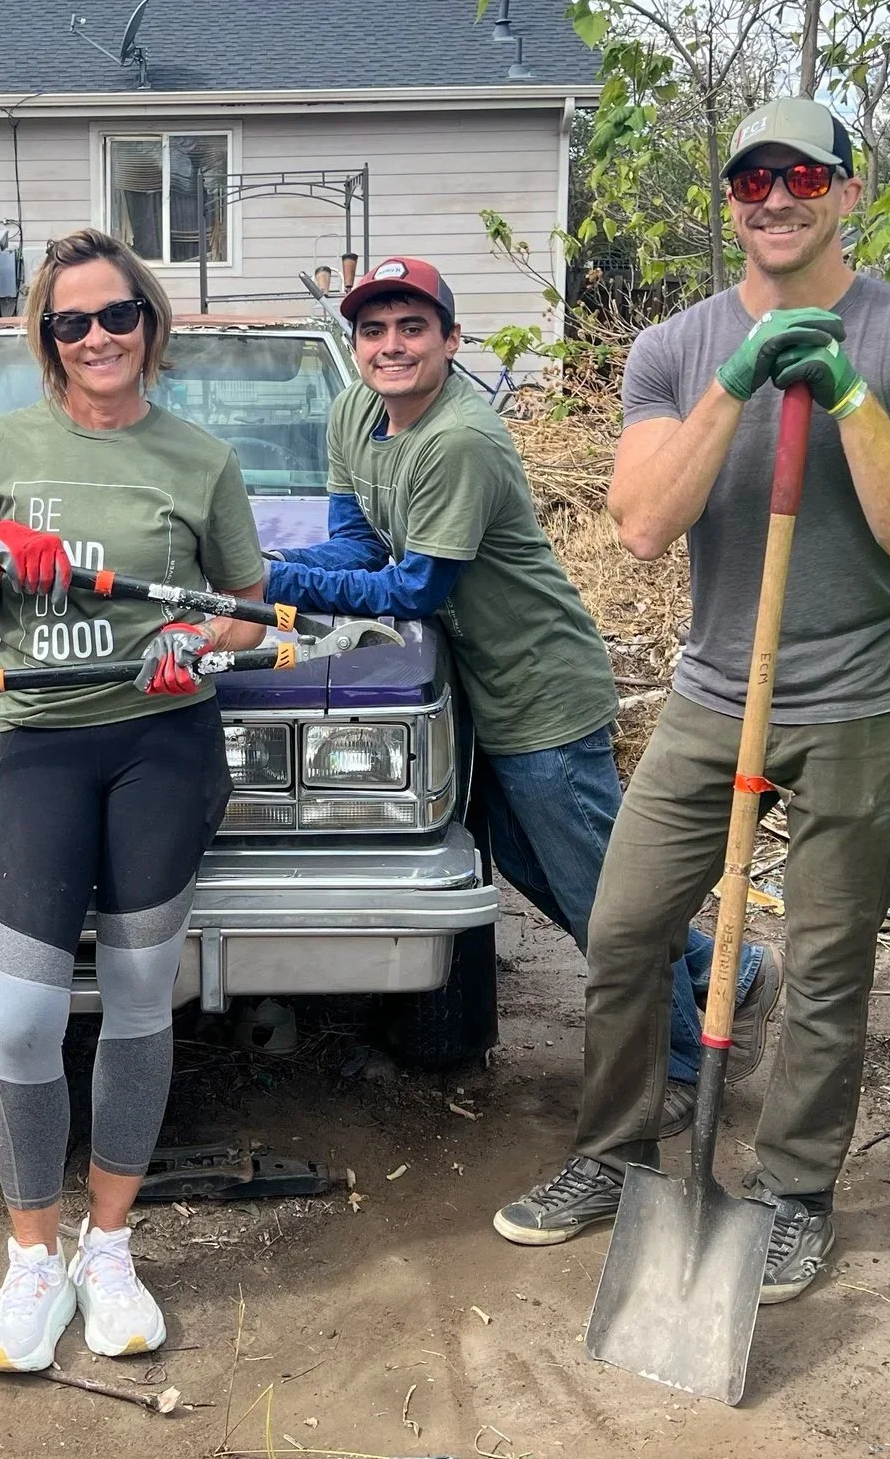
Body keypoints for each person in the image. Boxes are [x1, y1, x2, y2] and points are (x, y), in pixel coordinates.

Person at [509, 98, 890, 1301]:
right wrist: (736, 381)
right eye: (754, 179)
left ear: (848, 192)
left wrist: (850, 398)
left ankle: (790, 1191)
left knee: (821, 963)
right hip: (718, 692)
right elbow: (647, 525)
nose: (776, 197)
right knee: (620, 930)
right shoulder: (670, 346)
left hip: (861, 698)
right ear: (730, 200)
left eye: (804, 177)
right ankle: (611, 1153)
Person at [256, 257, 775, 1218]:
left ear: (451, 342)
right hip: (474, 698)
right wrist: (276, 565)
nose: (390, 347)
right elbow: (359, 548)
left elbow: (414, 590)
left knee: (603, 897)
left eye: (412, 328)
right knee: (538, 879)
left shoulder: (462, 440)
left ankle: (681, 1069)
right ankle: (726, 971)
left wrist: (275, 586)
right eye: (373, 331)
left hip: (540, 693)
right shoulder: (352, 418)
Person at [0, 229, 268, 1373]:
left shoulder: (200, 459)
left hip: (161, 747)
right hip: (44, 747)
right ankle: (32, 1261)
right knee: (20, 1018)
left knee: (135, 996)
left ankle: (108, 1246)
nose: (96, 339)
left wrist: (198, 644)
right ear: (47, 338)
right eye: (71, 323)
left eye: (115, 315)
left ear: (148, 322)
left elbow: (249, 611)